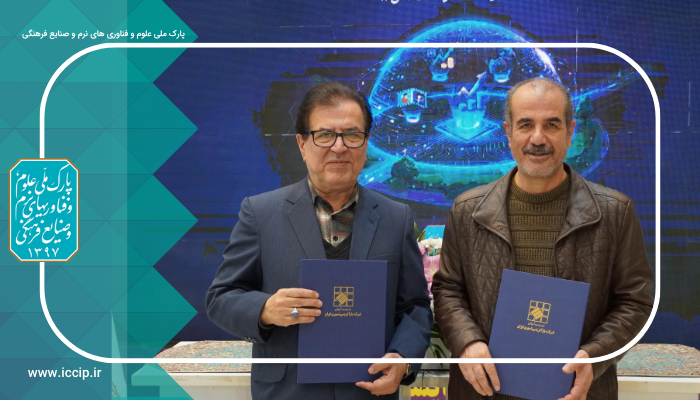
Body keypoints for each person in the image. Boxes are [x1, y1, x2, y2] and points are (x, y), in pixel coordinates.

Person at [206, 82, 432, 400]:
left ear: (366, 143)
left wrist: (402, 357)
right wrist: (265, 309)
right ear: (302, 143)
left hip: (367, 392)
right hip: (286, 392)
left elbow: (415, 307)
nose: (339, 147)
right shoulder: (260, 213)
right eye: (324, 135)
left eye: (352, 135)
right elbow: (221, 298)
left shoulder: (396, 218)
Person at [432, 77, 654, 400]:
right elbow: (448, 290)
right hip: (484, 392)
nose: (538, 138)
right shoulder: (467, 210)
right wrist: (467, 341)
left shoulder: (615, 212)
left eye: (551, 124)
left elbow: (636, 301)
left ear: (570, 132)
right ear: (508, 132)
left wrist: (594, 356)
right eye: (526, 125)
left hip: (578, 392)